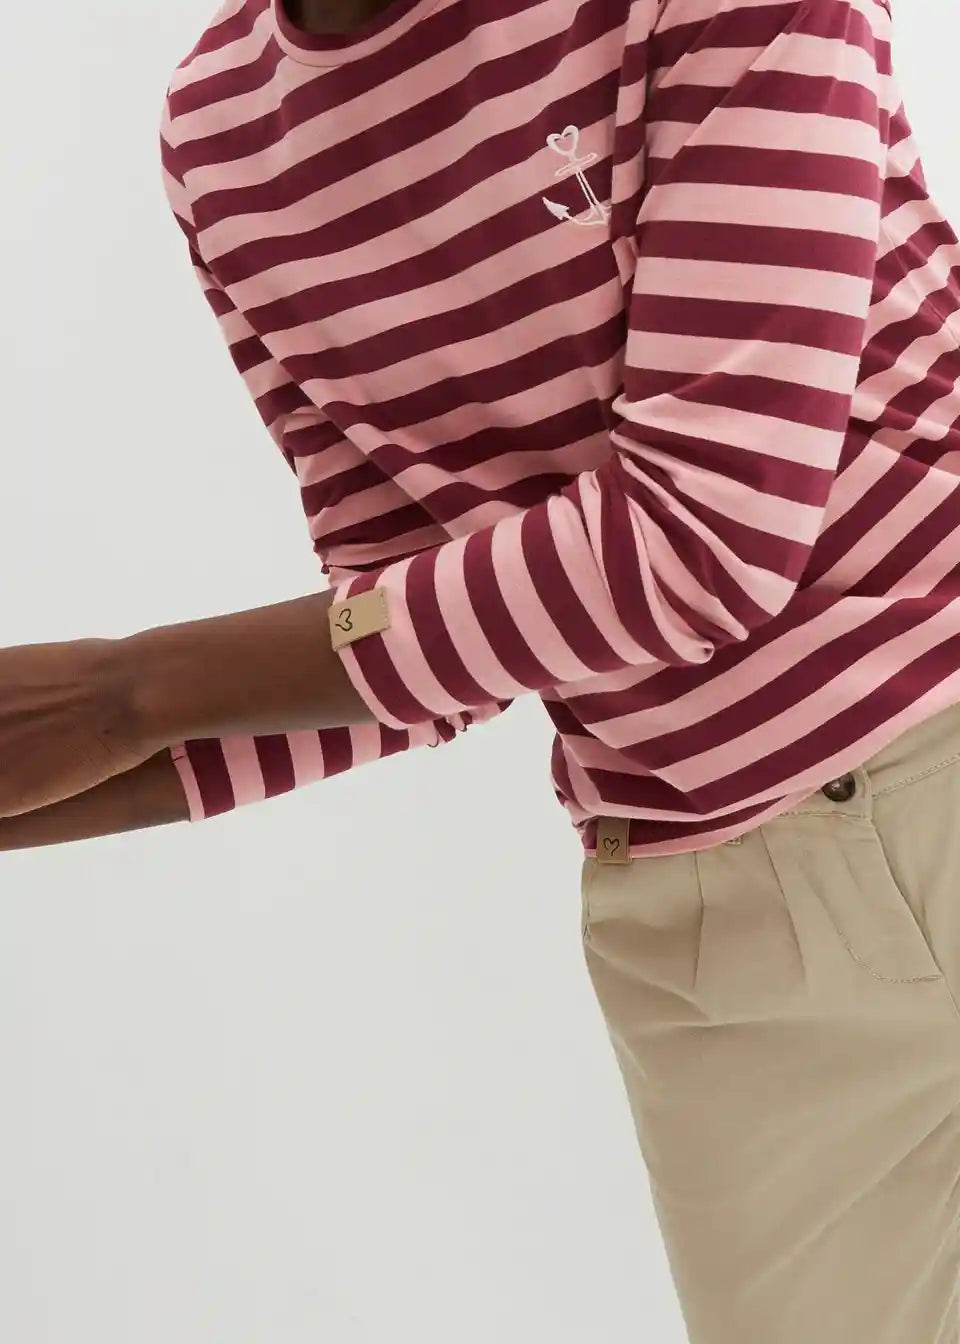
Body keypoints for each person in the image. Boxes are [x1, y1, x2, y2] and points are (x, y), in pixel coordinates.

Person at [3, 0, 960, 1338]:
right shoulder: (221, 132)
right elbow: (410, 640)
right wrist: (65, 757)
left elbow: (707, 534)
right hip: (715, 932)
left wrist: (126, 694)